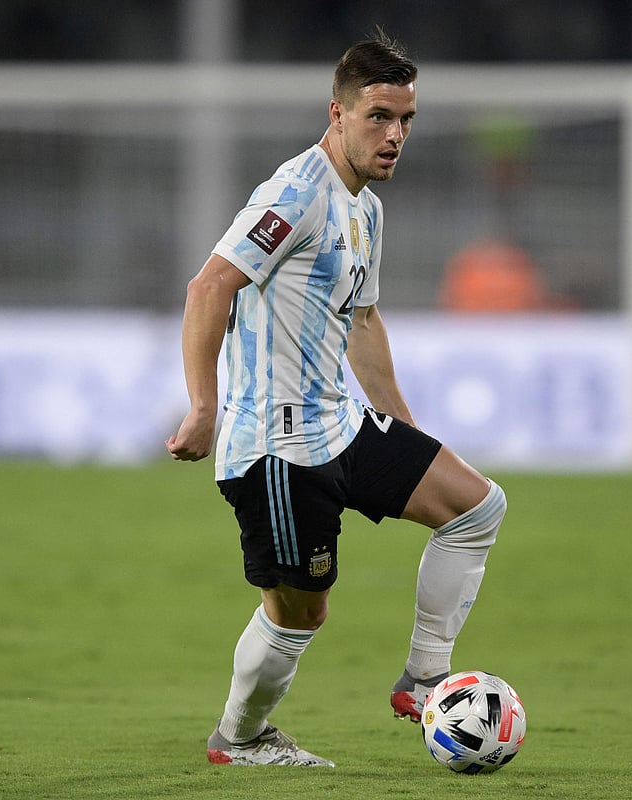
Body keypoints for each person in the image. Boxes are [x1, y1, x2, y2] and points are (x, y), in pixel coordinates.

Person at [165, 31, 506, 768]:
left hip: (341, 425)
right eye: (380, 117)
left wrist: (409, 435)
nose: (395, 136)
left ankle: (424, 678)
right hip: (276, 446)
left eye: (406, 120)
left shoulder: (366, 211)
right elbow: (209, 286)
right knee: (299, 614)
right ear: (339, 112)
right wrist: (202, 405)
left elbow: (364, 321)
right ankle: (241, 737)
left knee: (477, 507)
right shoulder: (295, 193)